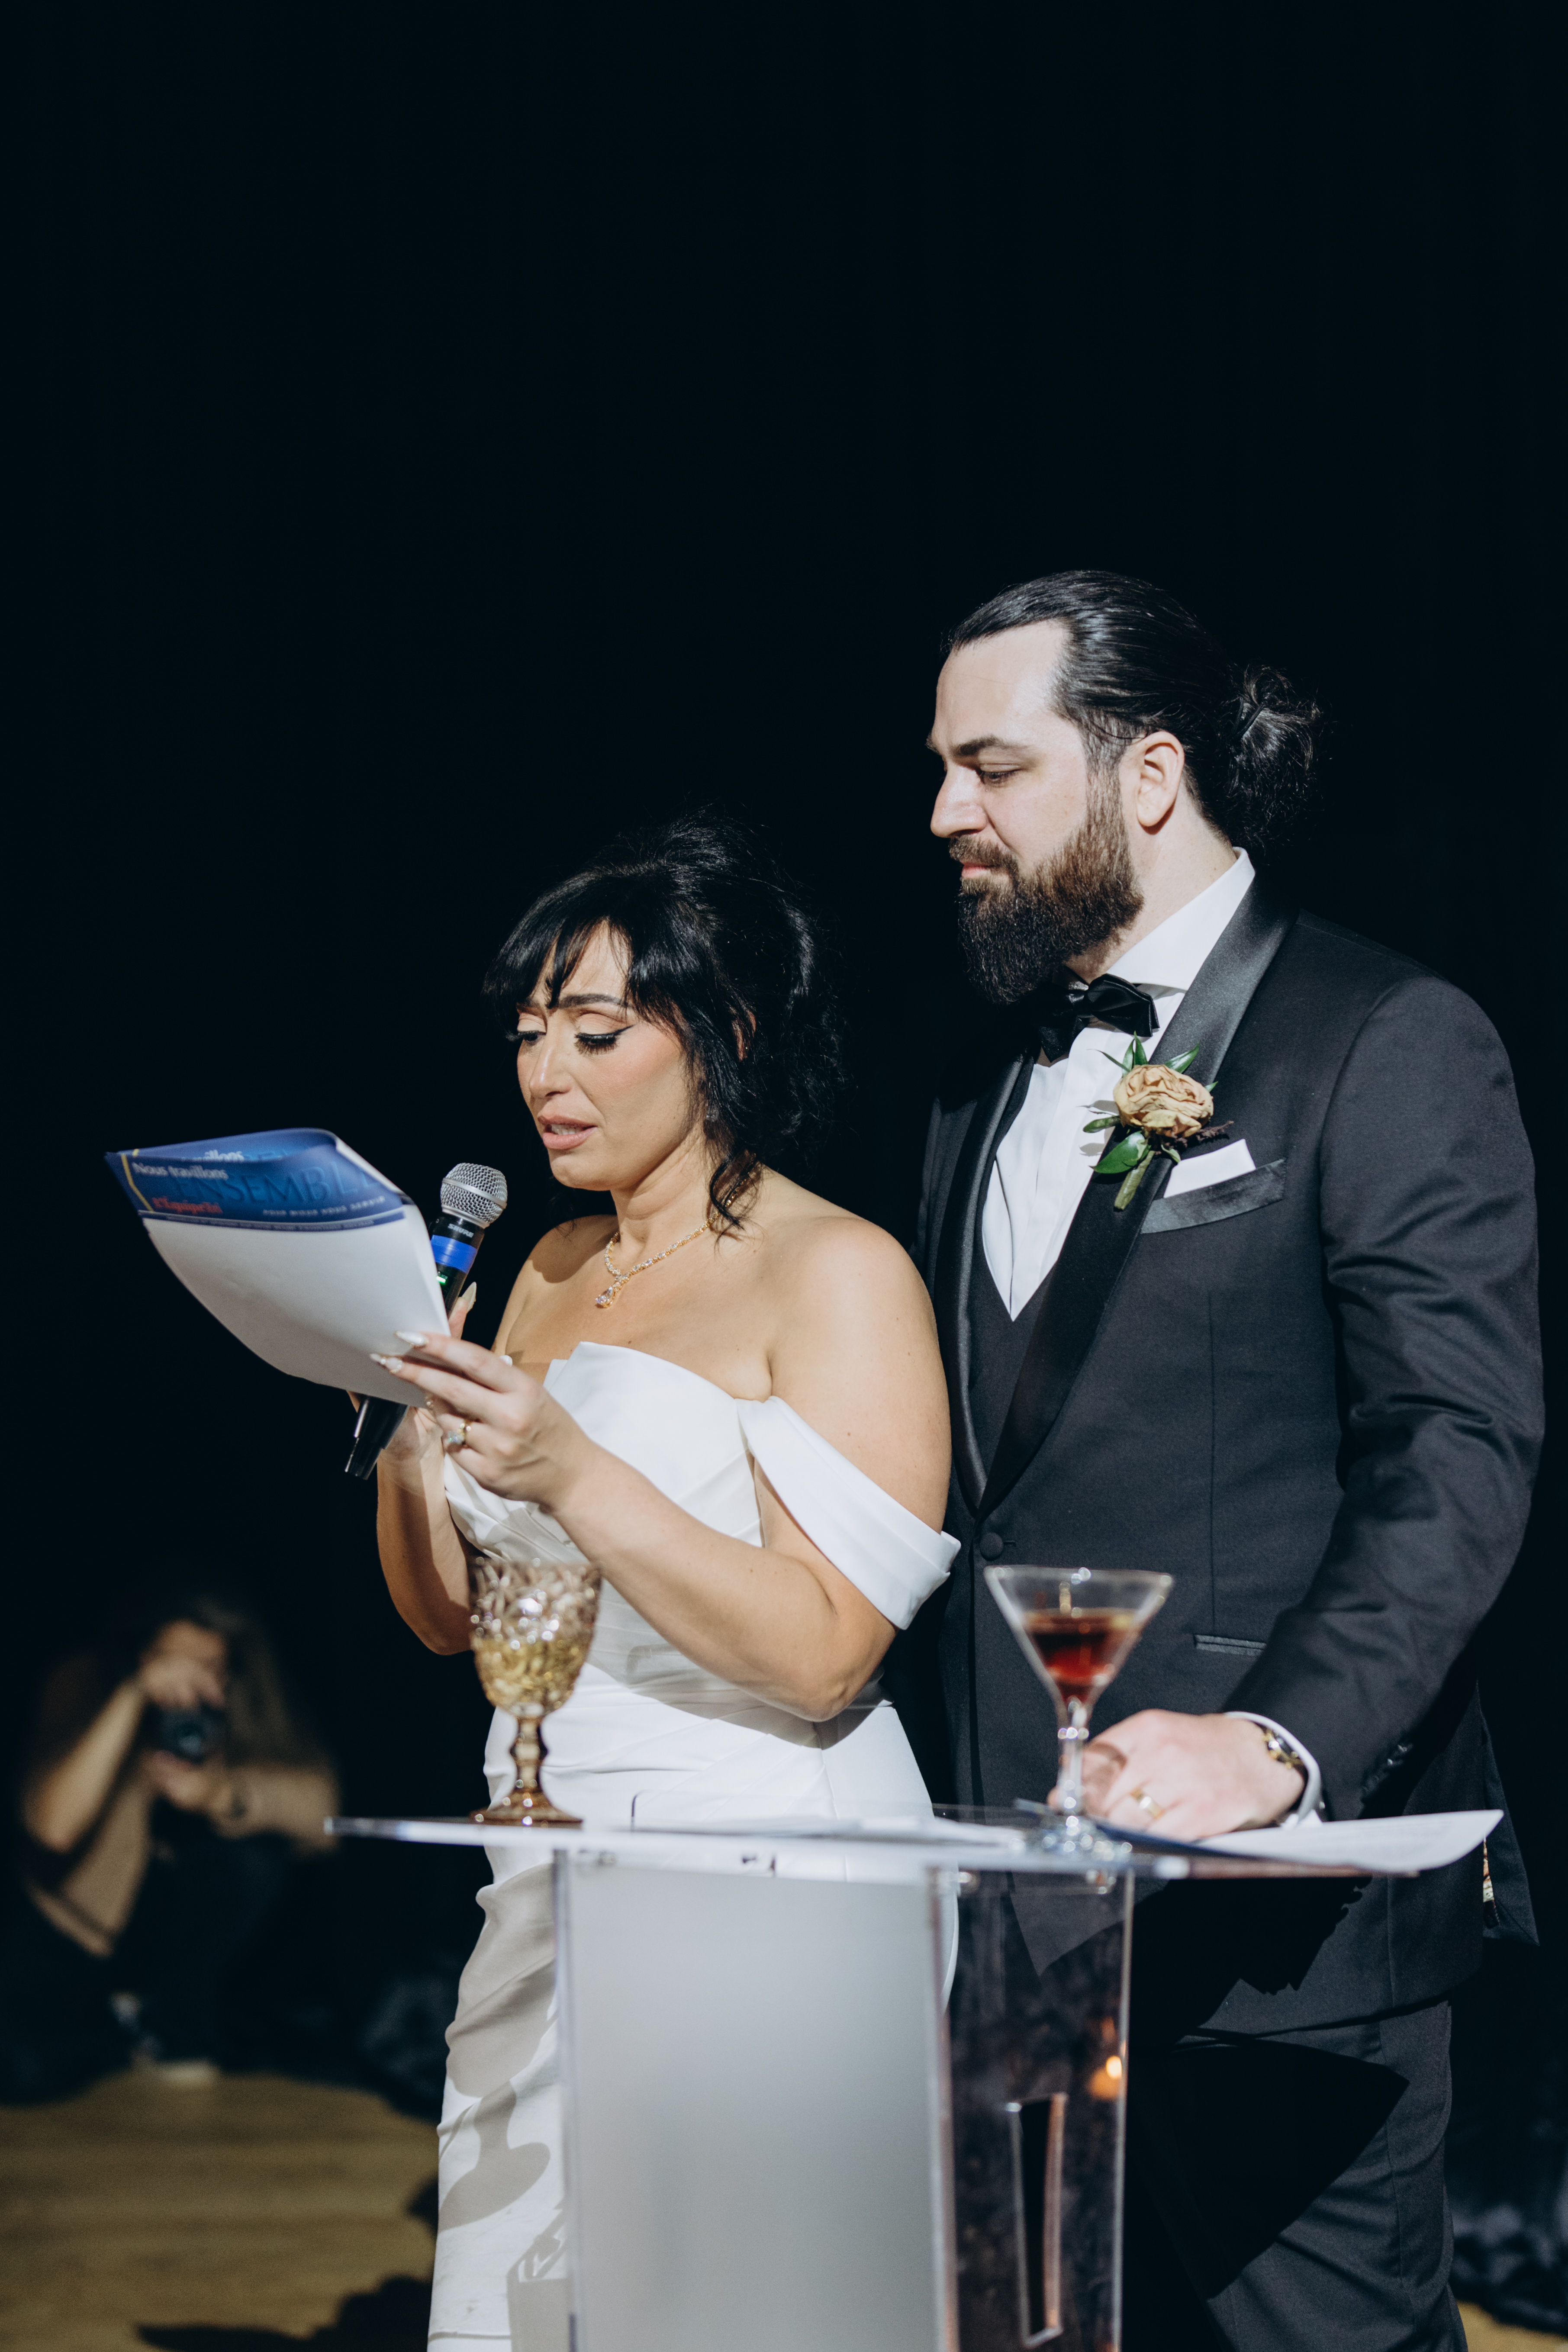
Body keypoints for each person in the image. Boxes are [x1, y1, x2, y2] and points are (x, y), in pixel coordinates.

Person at [910, 569, 1542, 2351]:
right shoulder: (972, 1077)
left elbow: (1454, 1450)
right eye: (940, 768)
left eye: (989, 766)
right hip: (1010, 1906)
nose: (943, 811)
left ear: (1149, 772)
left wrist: (1274, 1740)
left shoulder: (1382, 1036)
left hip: (1274, 1939)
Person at [370, 817, 956, 2351]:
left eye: (594, 1031)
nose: (544, 1073)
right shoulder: (546, 1266)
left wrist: (572, 1467)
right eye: (527, 1033)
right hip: (545, 1846)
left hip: (768, 1865)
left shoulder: (833, 1270)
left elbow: (828, 1654)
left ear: (727, 1034)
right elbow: (450, 1617)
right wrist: (407, 1428)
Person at [2, 1577, 338, 2101]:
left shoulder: (236, 1711)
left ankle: (159, 2020)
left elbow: (328, 1814)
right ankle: (122, 2033)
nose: (186, 1682)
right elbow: (52, 1827)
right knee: (26, 2071)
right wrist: (134, 1695)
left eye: (206, 1667)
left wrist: (222, 1793)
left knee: (257, 1857)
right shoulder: (85, 1680)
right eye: (169, 1662)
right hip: (68, 1932)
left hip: (167, 1940)